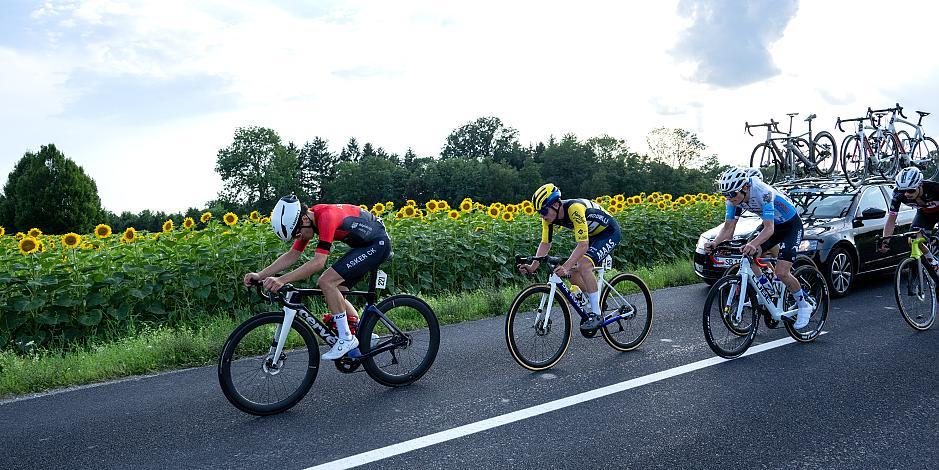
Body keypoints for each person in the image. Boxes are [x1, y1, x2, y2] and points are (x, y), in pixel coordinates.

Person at [243, 195, 391, 360]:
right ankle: (361, 335)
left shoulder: (326, 216)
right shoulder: (308, 221)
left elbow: (318, 263)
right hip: (364, 246)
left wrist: (282, 280)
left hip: (377, 244)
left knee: (326, 281)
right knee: (336, 292)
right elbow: (293, 254)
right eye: (294, 237)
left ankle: (346, 338)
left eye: (297, 234)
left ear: (304, 219)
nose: (298, 238)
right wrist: (260, 275)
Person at [703, 167, 813, 329]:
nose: (729, 198)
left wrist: (753, 243)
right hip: (773, 225)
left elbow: (769, 229)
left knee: (781, 272)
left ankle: (804, 305)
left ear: (745, 188)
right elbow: (728, 229)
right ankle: (767, 290)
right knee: (750, 255)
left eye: (732, 194)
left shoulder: (763, 193)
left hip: (790, 226)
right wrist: (715, 243)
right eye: (725, 195)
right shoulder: (733, 198)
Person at [517, 183, 621, 333]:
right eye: (539, 212)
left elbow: (583, 244)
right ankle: (596, 302)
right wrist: (533, 266)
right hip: (592, 234)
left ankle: (597, 315)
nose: (542, 216)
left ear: (555, 204)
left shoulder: (575, 209)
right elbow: (545, 243)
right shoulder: (548, 218)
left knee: (583, 265)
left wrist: (565, 266)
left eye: (544, 211)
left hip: (609, 232)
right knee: (572, 271)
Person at [879, 167, 939, 276]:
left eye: (911, 190)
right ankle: (933, 265)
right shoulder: (898, 195)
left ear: (920, 185)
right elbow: (891, 220)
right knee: (913, 240)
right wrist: (885, 240)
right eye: (903, 190)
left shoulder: (934, 189)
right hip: (924, 214)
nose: (906, 194)